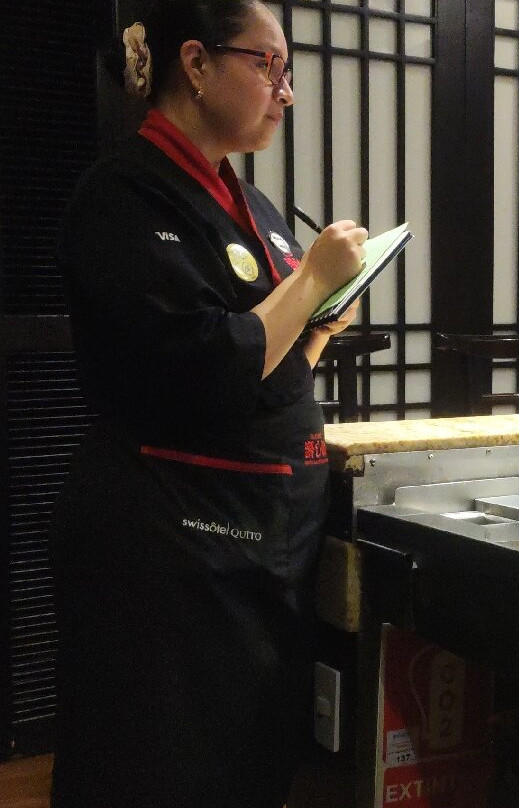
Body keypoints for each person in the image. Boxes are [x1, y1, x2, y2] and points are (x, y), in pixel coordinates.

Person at [50, 2, 366, 805]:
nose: (286, 92)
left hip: (263, 542)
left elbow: (276, 370)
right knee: (153, 768)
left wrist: (321, 322)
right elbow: (205, 365)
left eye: (287, 72)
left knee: (248, 766)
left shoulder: (257, 210)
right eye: (269, 65)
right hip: (168, 547)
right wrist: (311, 281)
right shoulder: (122, 194)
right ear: (195, 63)